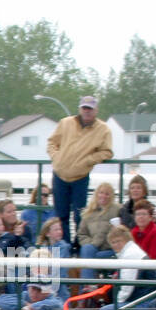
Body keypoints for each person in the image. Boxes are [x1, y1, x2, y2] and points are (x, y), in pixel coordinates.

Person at [46, 95, 113, 243]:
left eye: (90, 109)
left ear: (96, 110)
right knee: (60, 215)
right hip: (59, 174)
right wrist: (57, 157)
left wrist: (89, 160)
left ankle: (78, 244)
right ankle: (64, 245)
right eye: (85, 108)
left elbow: (107, 151)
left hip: (80, 176)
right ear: (80, 109)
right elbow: (52, 142)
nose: (87, 111)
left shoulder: (103, 130)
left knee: (79, 216)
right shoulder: (65, 123)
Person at [76, 183, 118, 283]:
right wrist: (92, 243)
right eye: (101, 193)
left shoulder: (117, 210)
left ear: (111, 196)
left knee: (89, 257)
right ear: (96, 194)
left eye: (107, 194)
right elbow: (81, 234)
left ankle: (87, 287)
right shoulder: (88, 213)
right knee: (87, 249)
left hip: (109, 250)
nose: (103, 196)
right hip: (92, 248)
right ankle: (89, 286)